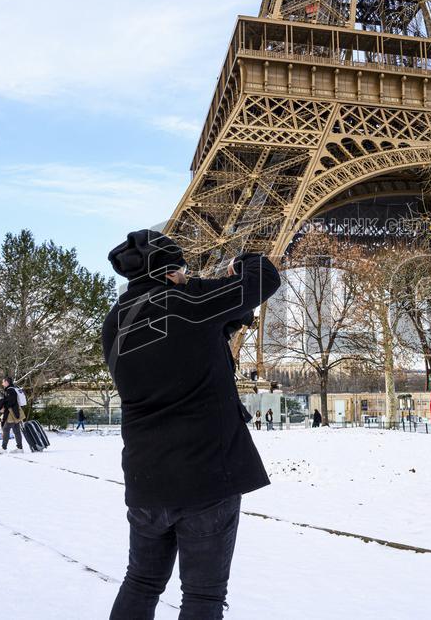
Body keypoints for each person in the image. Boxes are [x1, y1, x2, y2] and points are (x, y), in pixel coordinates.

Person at [102, 230, 280, 619]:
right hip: (205, 476)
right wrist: (240, 263)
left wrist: (220, 312)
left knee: (141, 582)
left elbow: (183, 346)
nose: (187, 275)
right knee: (203, 596)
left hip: (147, 480)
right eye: (182, 269)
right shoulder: (187, 303)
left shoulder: (114, 322)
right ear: (169, 272)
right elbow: (265, 277)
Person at [0, 377, 25, 452]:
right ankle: (20, 448)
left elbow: (11, 401)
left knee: (6, 429)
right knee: (16, 430)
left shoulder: (10, 390)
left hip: (11, 413)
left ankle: (4, 448)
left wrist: (3, 406)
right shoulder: (12, 389)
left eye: (3, 382)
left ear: (7, 382)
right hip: (15, 412)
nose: (2, 383)